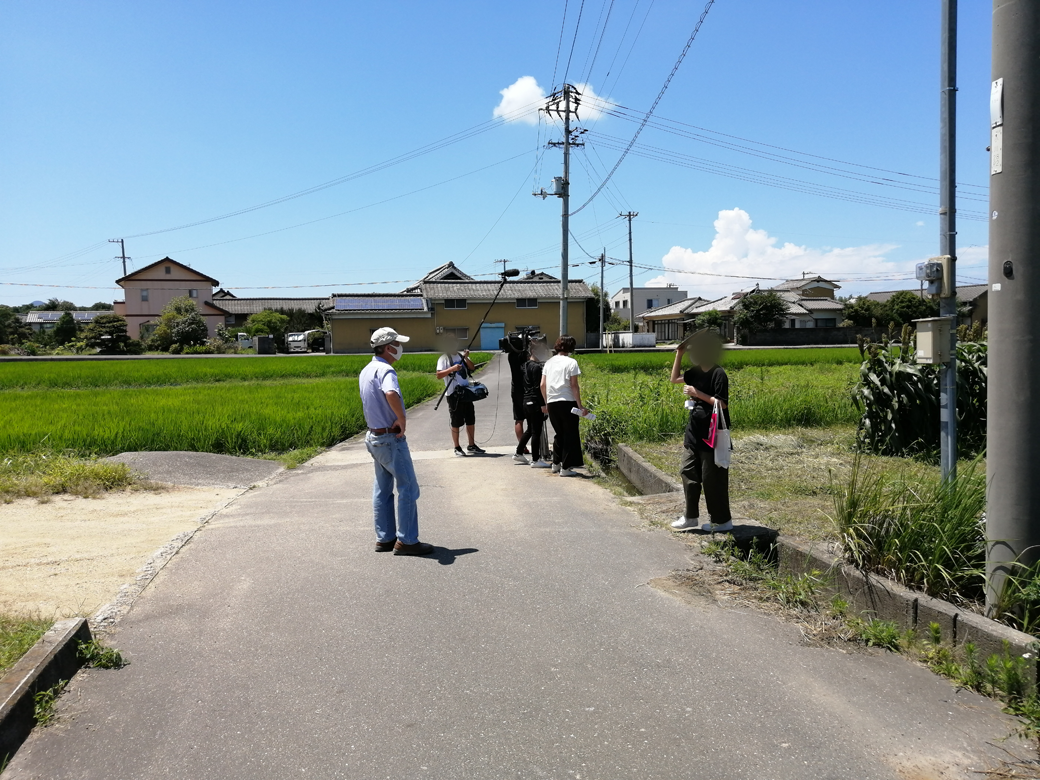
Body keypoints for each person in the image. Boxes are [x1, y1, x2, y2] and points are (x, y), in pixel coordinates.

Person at [358, 327, 433, 555]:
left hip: (374, 436)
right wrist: (401, 418)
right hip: (391, 437)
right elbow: (391, 393)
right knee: (408, 488)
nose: (400, 348)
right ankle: (408, 541)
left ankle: (385, 538)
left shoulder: (366, 370)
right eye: (397, 344)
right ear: (389, 347)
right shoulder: (387, 370)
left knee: (382, 489)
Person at [669, 330, 733, 533]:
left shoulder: (718, 373)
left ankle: (722, 521)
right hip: (694, 431)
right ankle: (690, 517)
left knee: (711, 478)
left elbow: (721, 404)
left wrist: (698, 393)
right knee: (687, 471)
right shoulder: (695, 372)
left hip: (712, 433)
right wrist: (678, 354)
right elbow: (674, 379)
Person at [540, 335, 586, 477]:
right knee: (569, 434)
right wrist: (580, 406)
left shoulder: (549, 362)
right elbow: (574, 385)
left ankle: (556, 464)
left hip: (552, 402)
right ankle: (565, 468)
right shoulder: (571, 362)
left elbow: (542, 385)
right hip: (568, 402)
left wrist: (547, 402)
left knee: (559, 434)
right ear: (571, 347)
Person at [436, 340, 485, 457]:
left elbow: (472, 367)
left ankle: (471, 445)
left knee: (470, 419)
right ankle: (457, 447)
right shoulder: (444, 358)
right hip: (453, 393)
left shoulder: (459, 355)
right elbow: (438, 375)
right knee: (456, 422)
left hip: (465, 391)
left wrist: (466, 358)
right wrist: (451, 369)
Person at [515, 341, 550, 467]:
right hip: (535, 402)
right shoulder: (536, 367)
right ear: (534, 352)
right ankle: (535, 459)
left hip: (526, 400)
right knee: (536, 431)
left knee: (530, 429)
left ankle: (519, 452)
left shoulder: (524, 366)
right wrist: (543, 404)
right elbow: (538, 387)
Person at [506, 334, 529, 452]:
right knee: (532, 419)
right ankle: (537, 445)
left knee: (519, 419)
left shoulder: (511, 356)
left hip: (516, 389)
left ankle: (522, 446)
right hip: (528, 389)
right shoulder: (526, 355)